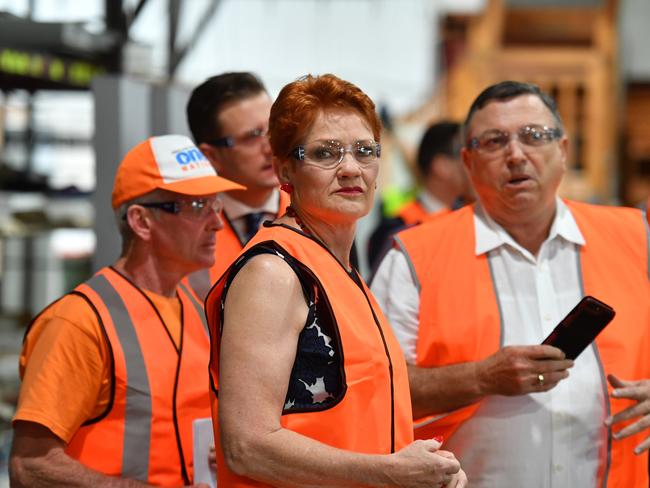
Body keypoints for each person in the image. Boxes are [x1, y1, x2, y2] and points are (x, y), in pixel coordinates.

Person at [371, 80, 650, 486]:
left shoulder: (636, 237)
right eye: (495, 141)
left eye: (534, 136)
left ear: (563, 151)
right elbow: (378, 391)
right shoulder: (413, 258)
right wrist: (482, 378)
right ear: (468, 161)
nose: (516, 155)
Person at [204, 74, 467, 487]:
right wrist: (389, 473)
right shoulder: (274, 272)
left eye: (365, 151)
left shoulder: (336, 268)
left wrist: (426, 469)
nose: (350, 168)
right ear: (284, 171)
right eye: (326, 153)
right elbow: (246, 444)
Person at [10, 135, 243, 487]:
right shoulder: (78, 322)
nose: (216, 223)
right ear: (141, 221)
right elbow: (30, 468)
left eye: (215, 204)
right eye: (197, 207)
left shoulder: (195, 311)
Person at [184, 72, 290, 299]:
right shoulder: (184, 233)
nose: (271, 147)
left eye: (274, 128)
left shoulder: (316, 216)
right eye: (253, 136)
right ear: (211, 156)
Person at [367, 121, 472, 274]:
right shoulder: (395, 231)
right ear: (441, 166)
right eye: (465, 156)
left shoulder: (473, 218)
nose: (474, 164)